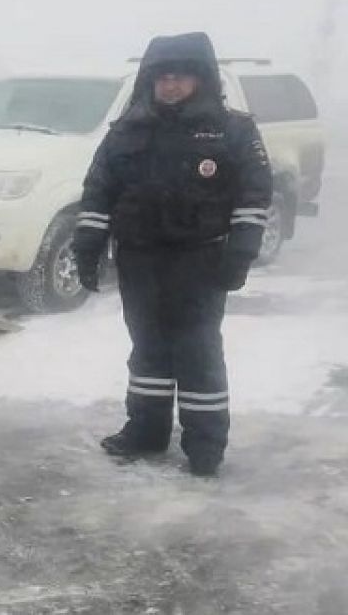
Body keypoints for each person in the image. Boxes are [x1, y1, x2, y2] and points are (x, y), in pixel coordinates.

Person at [72, 32, 273, 477]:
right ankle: (146, 430)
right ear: (150, 80)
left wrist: (241, 251)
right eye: (163, 76)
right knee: (147, 349)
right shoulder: (126, 129)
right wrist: (87, 246)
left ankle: (205, 445)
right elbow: (99, 190)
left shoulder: (232, 129)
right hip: (139, 259)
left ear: (201, 79)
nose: (171, 84)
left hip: (200, 261)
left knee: (197, 351)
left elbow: (255, 193)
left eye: (181, 75)